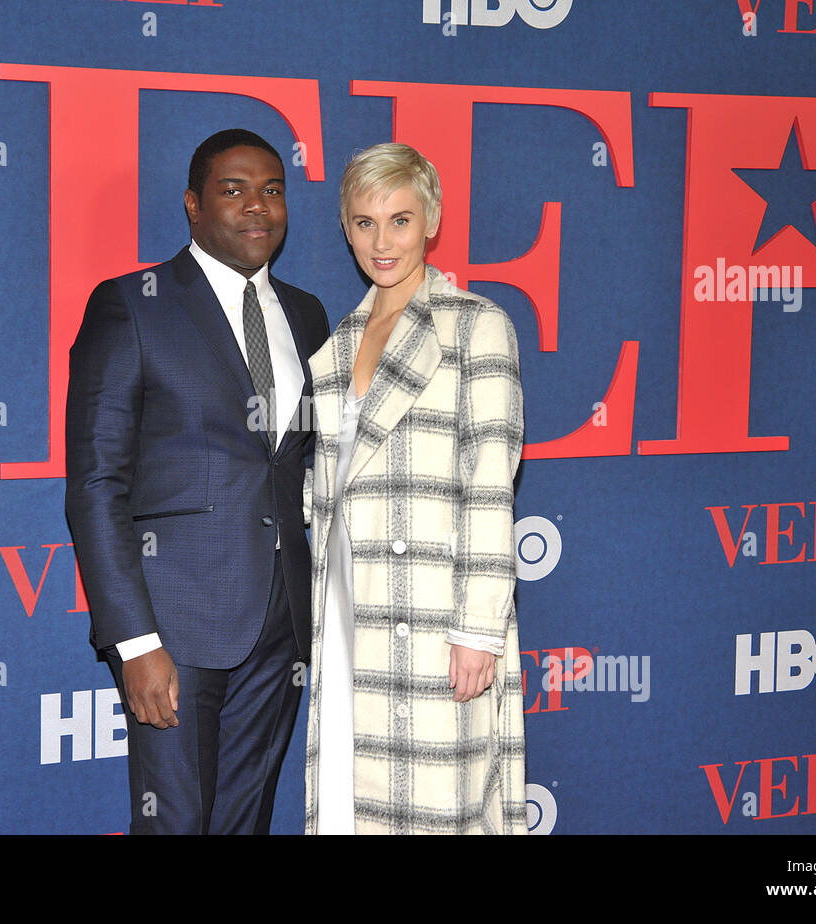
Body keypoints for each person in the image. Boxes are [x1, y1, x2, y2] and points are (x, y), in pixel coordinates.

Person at [66, 129, 330, 834]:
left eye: (273, 190)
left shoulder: (306, 314)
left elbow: (298, 465)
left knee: (245, 822)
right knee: (175, 824)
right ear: (192, 204)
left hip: (280, 626)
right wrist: (134, 642)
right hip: (174, 629)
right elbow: (95, 485)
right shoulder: (133, 304)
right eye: (233, 188)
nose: (257, 207)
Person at [305, 143, 526, 834]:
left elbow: (492, 482)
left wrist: (477, 629)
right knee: (352, 805)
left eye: (400, 220)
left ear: (431, 220)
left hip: (434, 612)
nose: (383, 240)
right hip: (347, 604)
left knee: (439, 805)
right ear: (345, 227)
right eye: (365, 222)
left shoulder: (476, 325)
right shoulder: (335, 346)